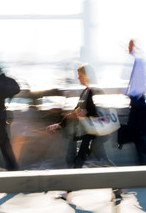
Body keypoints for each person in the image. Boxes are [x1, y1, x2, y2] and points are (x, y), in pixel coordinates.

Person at [47, 64, 115, 200]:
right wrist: (59, 124)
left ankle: (67, 192)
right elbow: (76, 110)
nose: (78, 78)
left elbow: (100, 110)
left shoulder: (95, 91)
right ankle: (121, 185)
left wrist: (87, 112)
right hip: (89, 132)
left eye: (80, 75)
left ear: (86, 76)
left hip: (95, 133)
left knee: (79, 160)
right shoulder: (85, 92)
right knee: (102, 160)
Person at [124, 39, 146, 165]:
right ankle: (145, 163)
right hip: (138, 100)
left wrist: (129, 94)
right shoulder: (138, 61)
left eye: (130, 46)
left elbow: (137, 83)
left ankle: (145, 164)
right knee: (139, 135)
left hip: (137, 101)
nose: (129, 48)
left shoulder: (135, 61)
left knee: (138, 135)